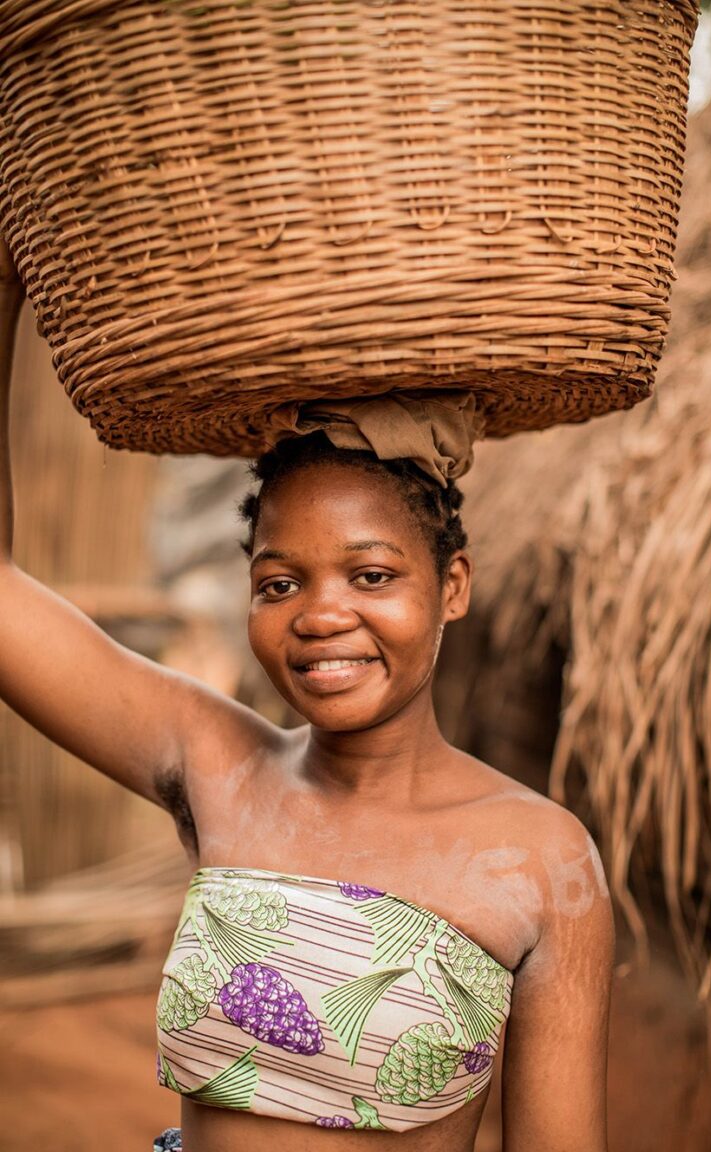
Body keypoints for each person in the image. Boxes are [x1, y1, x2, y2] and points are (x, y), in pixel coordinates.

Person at [0, 243, 614, 1152]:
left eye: (371, 574)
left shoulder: (543, 865)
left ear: (452, 586)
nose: (322, 616)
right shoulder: (216, 764)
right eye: (279, 583)